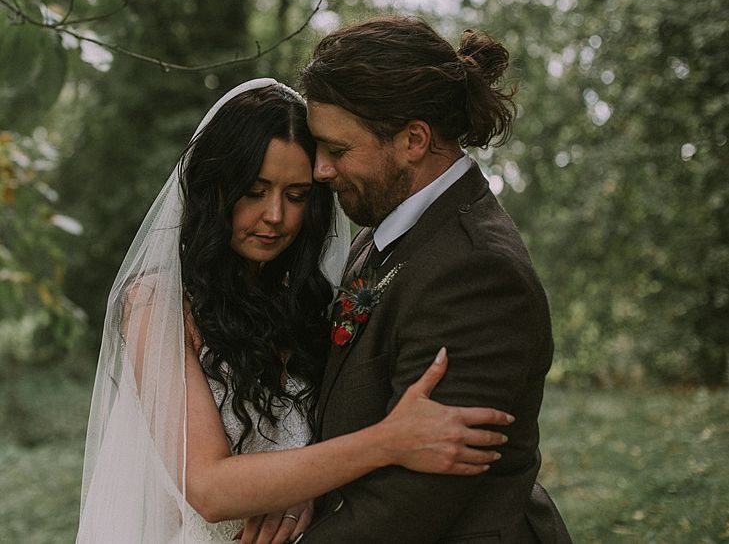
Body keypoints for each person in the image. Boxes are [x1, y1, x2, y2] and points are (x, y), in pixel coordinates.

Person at [76, 78, 514, 544]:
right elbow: (208, 487)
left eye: (297, 195)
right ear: (215, 188)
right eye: (255, 190)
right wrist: (389, 441)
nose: (276, 216)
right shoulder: (156, 304)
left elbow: (310, 443)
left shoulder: (308, 303)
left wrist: (302, 486)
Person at [299, 17, 573, 543]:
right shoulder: (391, 228)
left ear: (414, 140)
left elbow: (418, 498)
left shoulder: (476, 271)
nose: (320, 171)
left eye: (338, 150)